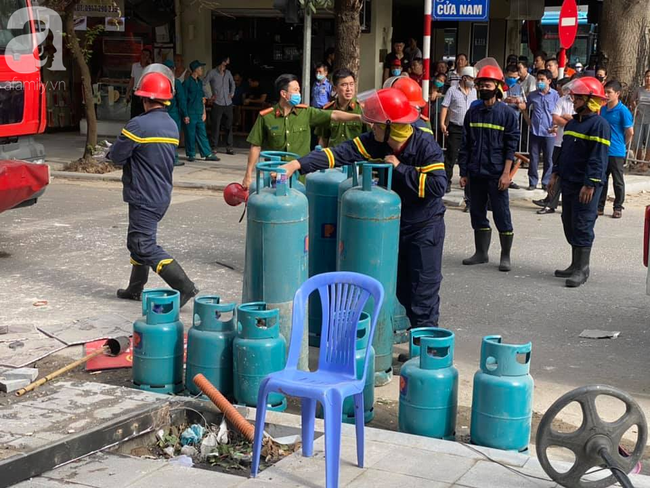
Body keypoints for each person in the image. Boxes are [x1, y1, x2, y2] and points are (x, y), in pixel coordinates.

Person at [279, 88, 447, 330]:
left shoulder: (424, 145)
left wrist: (400, 168)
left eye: (376, 125)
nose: (372, 129)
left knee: (423, 289)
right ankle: (418, 337)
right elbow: (337, 154)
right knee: (403, 288)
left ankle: (426, 353)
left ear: (390, 126)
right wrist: (297, 164)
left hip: (425, 227)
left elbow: (437, 186)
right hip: (397, 225)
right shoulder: (375, 143)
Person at [110, 65, 199, 307]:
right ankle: (135, 288)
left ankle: (185, 287)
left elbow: (117, 157)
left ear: (146, 99)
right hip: (160, 194)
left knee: (143, 244)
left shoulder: (137, 126)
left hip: (143, 195)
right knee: (136, 240)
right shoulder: (171, 125)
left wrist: (112, 152)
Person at [242, 73, 363, 188]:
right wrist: (248, 175)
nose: (298, 94)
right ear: (284, 94)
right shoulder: (266, 117)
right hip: (275, 174)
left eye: (298, 90)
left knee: (300, 205)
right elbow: (255, 146)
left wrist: (359, 117)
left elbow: (334, 115)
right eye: (295, 90)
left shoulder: (306, 113)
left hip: (300, 175)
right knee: (277, 203)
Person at [547, 77, 610, 288]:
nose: (573, 100)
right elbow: (564, 150)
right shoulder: (574, 123)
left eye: (577, 97)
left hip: (586, 185)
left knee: (583, 224)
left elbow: (598, 157)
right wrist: (555, 173)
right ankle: (575, 264)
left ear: (589, 99)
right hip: (569, 181)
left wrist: (590, 183)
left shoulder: (599, 125)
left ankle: (582, 270)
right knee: (569, 221)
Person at [458, 60, 519, 272]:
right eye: (481, 85)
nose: (484, 88)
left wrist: (506, 174)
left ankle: (505, 256)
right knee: (477, 212)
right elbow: (465, 144)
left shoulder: (508, 114)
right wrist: (464, 172)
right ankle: (481, 253)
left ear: (498, 87)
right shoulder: (472, 113)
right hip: (476, 172)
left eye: (488, 85)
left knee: (502, 214)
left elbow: (511, 147)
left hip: (497, 174)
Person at [534, 77, 575, 215]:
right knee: (555, 173)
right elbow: (555, 118)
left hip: (575, 143)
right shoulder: (562, 100)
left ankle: (568, 204)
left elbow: (582, 120)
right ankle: (550, 202)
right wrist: (570, 120)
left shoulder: (582, 102)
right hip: (560, 142)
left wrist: (569, 118)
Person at [598, 80, 634, 218]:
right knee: (602, 180)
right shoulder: (603, 109)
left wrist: (622, 145)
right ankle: (599, 206)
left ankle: (618, 207)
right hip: (603, 150)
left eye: (609, 92)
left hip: (616, 151)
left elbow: (630, 131)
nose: (606, 95)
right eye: (605, 92)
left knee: (618, 181)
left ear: (617, 93)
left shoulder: (623, 111)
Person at [440, 66, 477, 192]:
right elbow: (445, 106)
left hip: (470, 128)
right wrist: (442, 123)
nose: (473, 81)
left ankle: (465, 179)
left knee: (468, 155)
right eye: (471, 79)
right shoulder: (452, 90)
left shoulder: (474, 91)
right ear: (465, 78)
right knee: (451, 155)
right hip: (455, 127)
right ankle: (446, 181)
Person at [523, 69, 560, 190]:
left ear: (549, 81)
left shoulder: (555, 95)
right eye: (538, 79)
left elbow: (559, 112)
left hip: (549, 132)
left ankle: (545, 182)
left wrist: (556, 127)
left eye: (542, 79)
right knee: (533, 158)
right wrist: (528, 121)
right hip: (535, 131)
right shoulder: (533, 95)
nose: (540, 82)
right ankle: (532, 182)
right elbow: (524, 107)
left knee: (548, 159)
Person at [316, 68, 364, 148]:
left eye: (351, 84)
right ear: (335, 88)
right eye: (344, 85)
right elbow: (323, 140)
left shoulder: (362, 110)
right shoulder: (328, 111)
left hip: (355, 158)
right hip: (333, 157)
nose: (349, 89)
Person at [183, 60, 219, 162]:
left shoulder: (199, 82)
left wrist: (204, 112)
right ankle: (191, 154)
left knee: (202, 133)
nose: (202, 70)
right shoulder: (187, 83)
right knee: (190, 134)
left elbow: (202, 99)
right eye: (200, 68)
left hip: (199, 112)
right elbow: (184, 100)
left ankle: (207, 153)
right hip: (190, 112)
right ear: (195, 70)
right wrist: (185, 114)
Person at [204, 55, 236, 155]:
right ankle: (214, 147)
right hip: (217, 103)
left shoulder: (228, 73)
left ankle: (229, 147)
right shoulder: (212, 73)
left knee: (229, 125)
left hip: (228, 103)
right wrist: (209, 96)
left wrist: (232, 93)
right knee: (215, 125)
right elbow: (204, 83)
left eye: (225, 65)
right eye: (224, 64)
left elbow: (233, 83)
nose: (224, 66)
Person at [163, 59, 188, 167]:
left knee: (162, 137)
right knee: (173, 137)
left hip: (161, 113)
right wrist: (185, 114)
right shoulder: (176, 82)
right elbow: (182, 100)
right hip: (173, 114)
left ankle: (164, 158)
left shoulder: (160, 82)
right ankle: (173, 158)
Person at [630, 69, 650, 161]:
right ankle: (638, 161)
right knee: (637, 140)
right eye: (647, 76)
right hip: (639, 118)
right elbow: (632, 100)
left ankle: (646, 162)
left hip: (649, 119)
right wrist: (635, 107)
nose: (648, 78)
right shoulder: (639, 90)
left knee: (649, 141)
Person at [126, 48, 152, 118]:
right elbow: (132, 79)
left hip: (145, 93)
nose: (144, 57)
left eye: (147, 55)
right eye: (143, 54)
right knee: (134, 113)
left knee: (144, 114)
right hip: (136, 91)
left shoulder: (149, 68)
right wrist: (127, 92)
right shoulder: (135, 66)